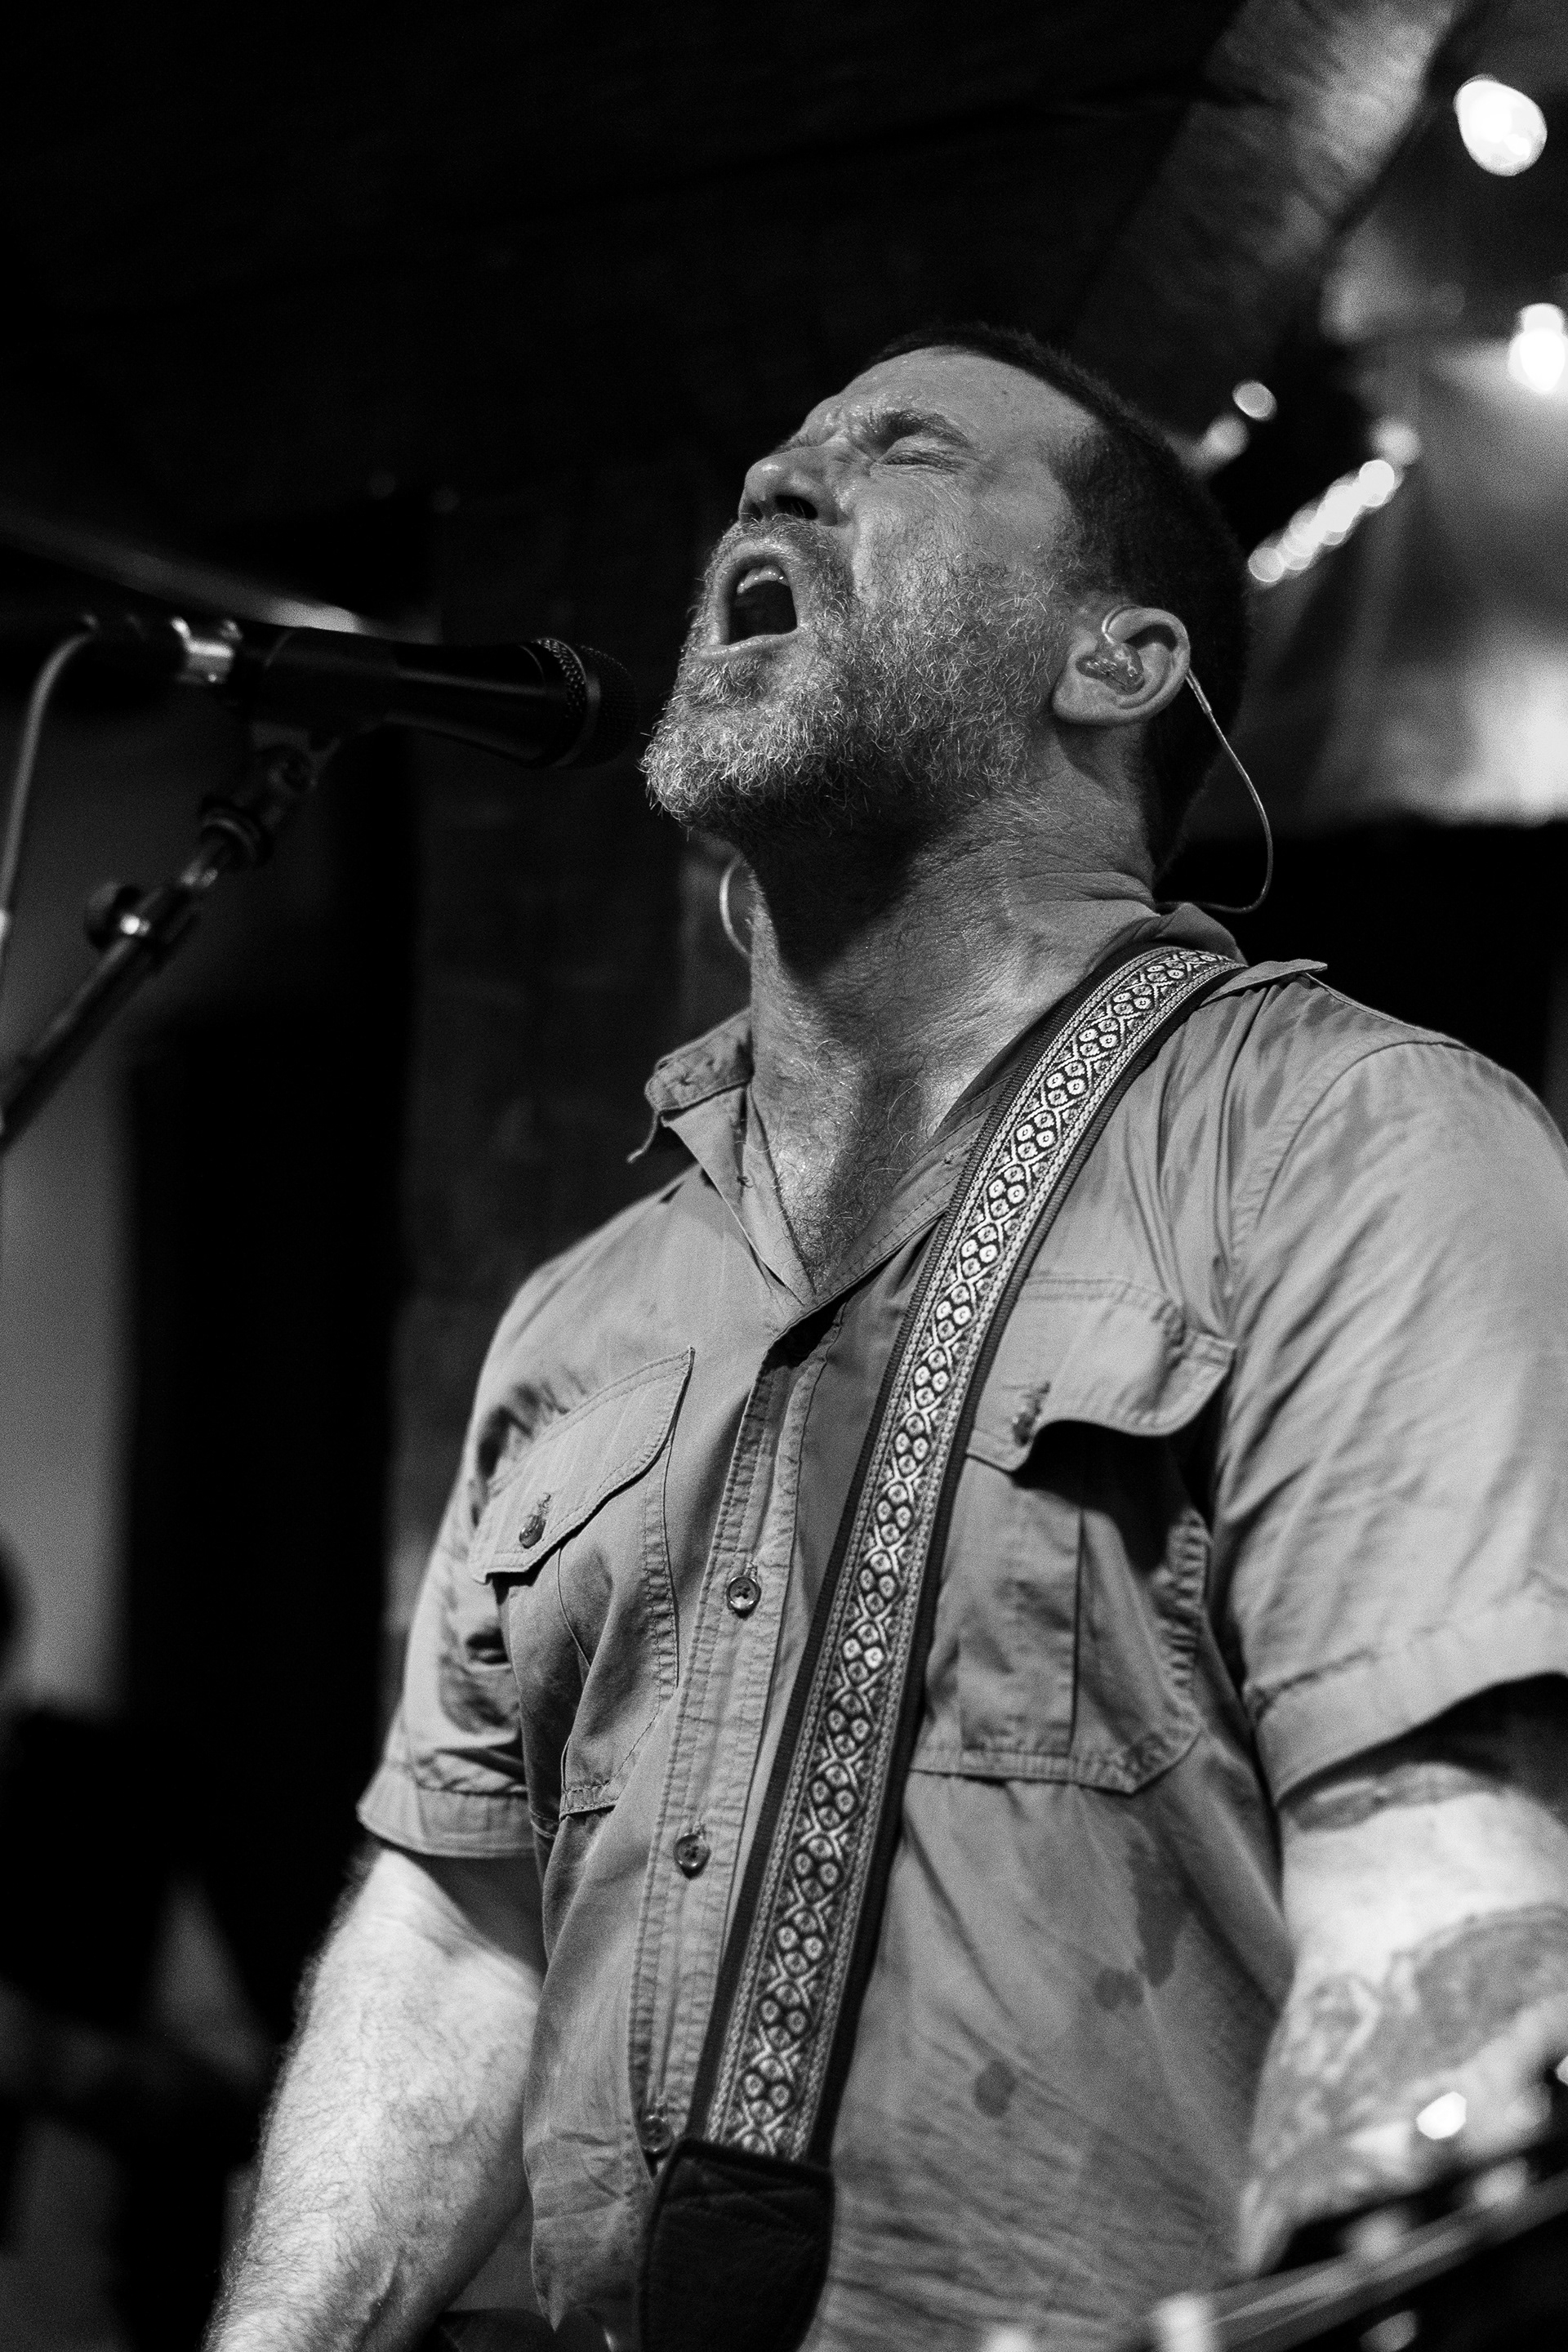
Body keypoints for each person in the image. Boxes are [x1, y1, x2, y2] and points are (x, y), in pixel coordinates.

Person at [207, 323, 1568, 2352]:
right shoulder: (582, 1315)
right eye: (770, 460)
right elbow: (459, 1931)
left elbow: (1435, 1867)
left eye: (903, 451)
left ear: (1118, 660)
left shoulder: (1355, 1149)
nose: (777, 482)